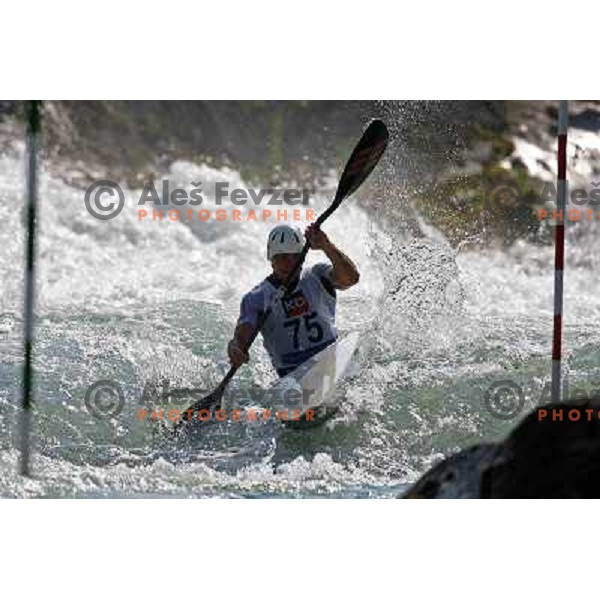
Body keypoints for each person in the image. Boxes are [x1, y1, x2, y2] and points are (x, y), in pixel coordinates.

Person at [227, 223, 360, 377]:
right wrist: (236, 347)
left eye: (295, 256)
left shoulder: (318, 275)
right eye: (282, 257)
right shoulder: (257, 298)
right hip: (291, 375)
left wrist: (327, 246)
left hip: (330, 361)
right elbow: (243, 333)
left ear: (303, 257)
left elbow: (351, 278)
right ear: (272, 259)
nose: (290, 263)